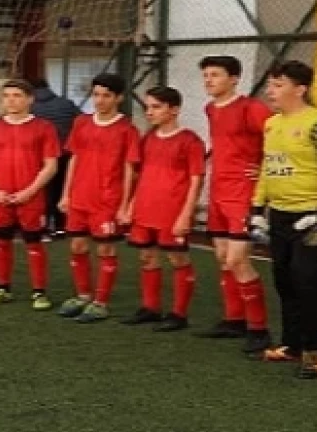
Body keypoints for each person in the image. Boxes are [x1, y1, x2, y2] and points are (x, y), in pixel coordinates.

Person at [249, 60, 317, 379]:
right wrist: (257, 208)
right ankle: (292, 345)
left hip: (312, 216)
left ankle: (315, 351)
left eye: (278, 85)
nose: (270, 91)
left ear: (300, 89)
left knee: (308, 280)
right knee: (284, 279)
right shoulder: (271, 124)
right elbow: (268, 166)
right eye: (270, 84)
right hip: (280, 214)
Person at [199, 55, 273, 354]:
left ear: (234, 79)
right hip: (218, 191)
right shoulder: (210, 108)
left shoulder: (252, 109)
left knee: (237, 260)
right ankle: (234, 320)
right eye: (206, 75)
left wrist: (265, 169)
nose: (209, 80)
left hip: (243, 193)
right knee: (222, 257)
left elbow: (277, 140)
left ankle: (259, 329)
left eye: (215, 75)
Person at [56, 74, 141, 324]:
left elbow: (129, 169)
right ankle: (83, 296)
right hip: (79, 198)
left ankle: (101, 302)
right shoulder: (81, 122)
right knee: (77, 246)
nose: (100, 100)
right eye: (96, 95)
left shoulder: (127, 129)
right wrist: (66, 193)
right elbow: (74, 158)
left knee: (105, 249)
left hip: (107, 200)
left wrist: (124, 205)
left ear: (119, 98)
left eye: (106, 95)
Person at [121, 87, 206, 332]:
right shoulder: (148, 139)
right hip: (145, 209)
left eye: (156, 107)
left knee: (177, 259)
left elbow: (196, 180)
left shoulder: (190, 141)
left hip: (172, 211)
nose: (149, 112)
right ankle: (150, 308)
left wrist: (186, 214)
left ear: (174, 110)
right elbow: (142, 175)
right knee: (147, 257)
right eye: (148, 107)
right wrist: (131, 205)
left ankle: (179, 314)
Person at [0, 80, 59, 310]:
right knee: (0, 242)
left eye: (16, 95)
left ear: (30, 99)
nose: (10, 100)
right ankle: (3, 289)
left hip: (31, 198)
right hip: (0, 197)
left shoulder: (44, 128)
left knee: (34, 243)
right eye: (6, 96)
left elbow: (51, 166)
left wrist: (29, 191)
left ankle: (39, 292)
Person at [29, 76, 80, 236]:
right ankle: (61, 226)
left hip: (42, 156)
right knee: (62, 188)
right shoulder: (66, 103)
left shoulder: (30, 107)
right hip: (66, 153)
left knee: (45, 190)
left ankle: (45, 225)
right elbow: (82, 121)